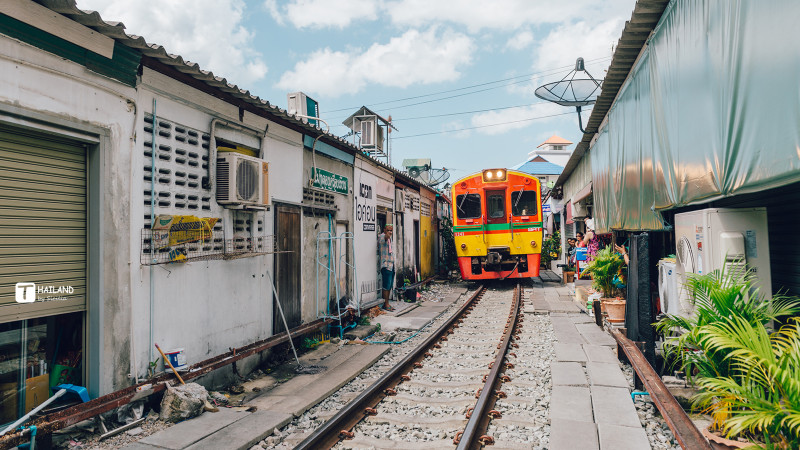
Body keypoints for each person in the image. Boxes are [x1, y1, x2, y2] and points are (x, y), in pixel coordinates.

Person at [378, 224, 395, 311]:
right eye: (388, 230)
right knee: (386, 285)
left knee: (389, 285)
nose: (390, 232)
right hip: (386, 265)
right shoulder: (382, 237)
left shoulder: (390, 239)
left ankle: (387, 303)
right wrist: (387, 235)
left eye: (391, 230)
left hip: (391, 265)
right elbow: (384, 238)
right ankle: (386, 304)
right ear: (384, 230)